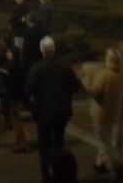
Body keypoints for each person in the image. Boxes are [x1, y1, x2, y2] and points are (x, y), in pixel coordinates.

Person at [25, 37, 79, 183]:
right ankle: (61, 175)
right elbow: (75, 87)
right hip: (62, 112)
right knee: (59, 143)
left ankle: (47, 177)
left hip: (43, 113)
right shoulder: (65, 67)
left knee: (44, 147)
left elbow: (28, 90)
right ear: (54, 50)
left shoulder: (37, 69)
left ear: (42, 51)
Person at [79, 48, 123, 176]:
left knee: (103, 140)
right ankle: (100, 163)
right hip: (115, 111)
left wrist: (84, 79)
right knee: (105, 137)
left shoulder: (105, 75)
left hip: (101, 112)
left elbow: (94, 91)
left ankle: (115, 165)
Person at [0, 47, 26, 153]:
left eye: (9, 53)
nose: (7, 54)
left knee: (15, 121)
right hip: (14, 97)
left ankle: (22, 144)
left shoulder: (13, 69)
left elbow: (10, 84)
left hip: (13, 98)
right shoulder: (19, 67)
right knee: (7, 119)